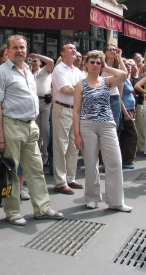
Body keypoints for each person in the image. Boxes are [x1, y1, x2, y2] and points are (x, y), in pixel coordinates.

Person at [0, 35, 64, 226]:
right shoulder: (0, 72)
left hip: (31, 126)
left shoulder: (28, 71)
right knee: (11, 171)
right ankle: (12, 212)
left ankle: (43, 208)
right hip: (11, 126)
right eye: (15, 47)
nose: (20, 50)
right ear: (8, 50)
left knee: (36, 170)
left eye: (22, 47)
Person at [73, 50, 132, 212]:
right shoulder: (81, 84)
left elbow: (123, 74)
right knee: (91, 162)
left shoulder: (107, 81)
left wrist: (107, 67)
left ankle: (116, 201)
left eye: (98, 62)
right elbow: (76, 110)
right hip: (87, 125)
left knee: (114, 161)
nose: (95, 65)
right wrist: (76, 134)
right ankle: (92, 197)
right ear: (86, 63)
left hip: (107, 123)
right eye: (92, 62)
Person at [51, 44, 84, 195]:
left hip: (76, 110)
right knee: (61, 146)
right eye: (70, 49)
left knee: (74, 145)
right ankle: (60, 181)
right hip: (62, 108)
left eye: (75, 50)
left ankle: (70, 178)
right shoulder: (58, 69)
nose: (74, 51)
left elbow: (83, 86)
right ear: (62, 53)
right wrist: (81, 90)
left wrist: (79, 89)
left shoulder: (77, 71)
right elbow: (65, 89)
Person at [30, 53, 54, 165]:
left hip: (45, 101)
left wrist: (38, 55)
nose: (34, 63)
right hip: (34, 102)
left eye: (36, 61)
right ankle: (38, 155)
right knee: (36, 130)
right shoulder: (28, 73)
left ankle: (46, 155)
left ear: (40, 62)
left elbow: (51, 62)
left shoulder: (44, 71)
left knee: (45, 129)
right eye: (32, 60)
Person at [102, 44, 128, 131]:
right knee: (103, 124)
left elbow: (125, 74)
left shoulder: (117, 66)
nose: (112, 51)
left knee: (115, 124)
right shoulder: (100, 65)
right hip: (102, 96)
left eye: (114, 49)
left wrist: (119, 57)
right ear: (105, 52)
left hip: (114, 97)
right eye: (109, 49)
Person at [119, 59, 138, 169]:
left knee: (127, 135)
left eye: (130, 65)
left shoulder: (128, 79)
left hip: (131, 109)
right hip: (125, 110)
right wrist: (125, 113)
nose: (128, 67)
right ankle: (127, 160)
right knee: (132, 134)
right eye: (125, 65)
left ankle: (126, 159)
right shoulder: (121, 80)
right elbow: (119, 97)